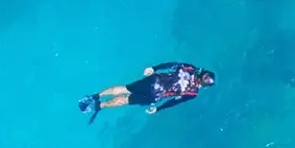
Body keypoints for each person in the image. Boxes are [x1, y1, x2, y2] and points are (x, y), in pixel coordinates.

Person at [79, 62, 217, 123]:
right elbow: (175, 101)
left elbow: (172, 65)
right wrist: (158, 109)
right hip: (155, 95)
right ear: (204, 85)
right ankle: (99, 106)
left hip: (153, 81)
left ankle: (96, 96)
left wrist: (154, 68)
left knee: (125, 88)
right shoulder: (193, 93)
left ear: (203, 72)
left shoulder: (191, 68)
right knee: (127, 100)